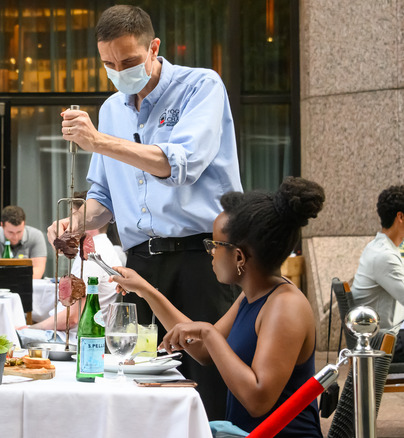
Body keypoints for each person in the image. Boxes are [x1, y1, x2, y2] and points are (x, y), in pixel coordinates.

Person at [48, 5, 242, 418]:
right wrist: (73, 225)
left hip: (202, 259)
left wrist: (99, 141)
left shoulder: (200, 86)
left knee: (207, 382)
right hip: (140, 265)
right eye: (109, 64)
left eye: (130, 61)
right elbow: (105, 197)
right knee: (134, 378)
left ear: (154, 48)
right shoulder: (112, 110)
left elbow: (178, 164)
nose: (120, 71)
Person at [111, 177, 324, 436]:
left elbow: (258, 399)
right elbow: (203, 351)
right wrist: (145, 290)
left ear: (238, 256)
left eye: (214, 245)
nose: (210, 253)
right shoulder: (252, 296)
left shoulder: (285, 306)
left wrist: (209, 333)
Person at [26, 194, 122, 340]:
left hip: (72, 338)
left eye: (73, 218)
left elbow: (73, 318)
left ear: (89, 222)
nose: (68, 225)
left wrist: (29, 327)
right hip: (73, 332)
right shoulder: (105, 247)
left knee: (13, 335)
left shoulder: (91, 255)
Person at [351, 185, 404, 363]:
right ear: (401, 217)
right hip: (383, 344)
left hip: (380, 336)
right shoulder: (384, 256)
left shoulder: (378, 247)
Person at [0, 205, 48, 279]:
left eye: (19, 232)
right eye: (10, 232)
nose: (15, 237)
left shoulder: (36, 236)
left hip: (27, 284)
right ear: (2, 225)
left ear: (24, 224)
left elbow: (38, 269)